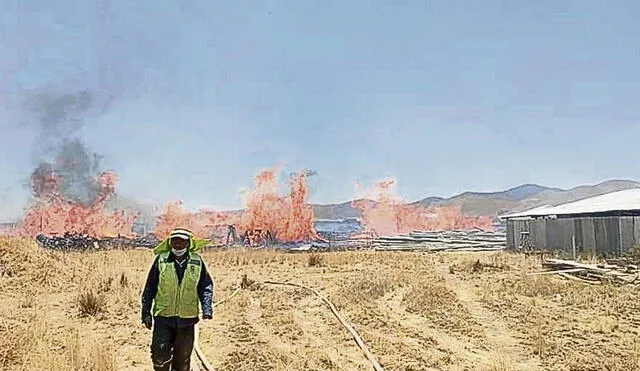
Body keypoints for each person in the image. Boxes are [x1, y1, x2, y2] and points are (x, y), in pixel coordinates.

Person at [141, 228, 214, 371]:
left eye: (182, 241)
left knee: (182, 360)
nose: (178, 245)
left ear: (188, 243)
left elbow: (205, 285)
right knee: (159, 356)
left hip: (187, 319)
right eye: (175, 241)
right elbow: (150, 288)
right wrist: (146, 313)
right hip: (163, 317)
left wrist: (207, 308)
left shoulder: (197, 262)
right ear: (170, 243)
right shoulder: (161, 260)